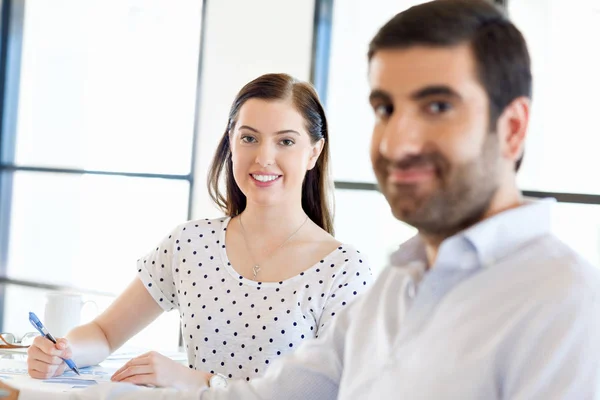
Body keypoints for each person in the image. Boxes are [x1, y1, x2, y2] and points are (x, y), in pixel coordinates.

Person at [3, 0, 600, 398]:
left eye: (438, 106)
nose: (398, 139)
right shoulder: (401, 280)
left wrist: (191, 380)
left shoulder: (561, 299)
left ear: (514, 128)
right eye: (385, 109)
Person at [21, 73, 373, 390]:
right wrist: (62, 351)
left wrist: (202, 383)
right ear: (231, 144)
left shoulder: (343, 270)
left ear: (314, 152)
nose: (264, 157)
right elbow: (104, 332)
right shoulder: (190, 243)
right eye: (249, 138)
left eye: (285, 142)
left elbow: (337, 391)